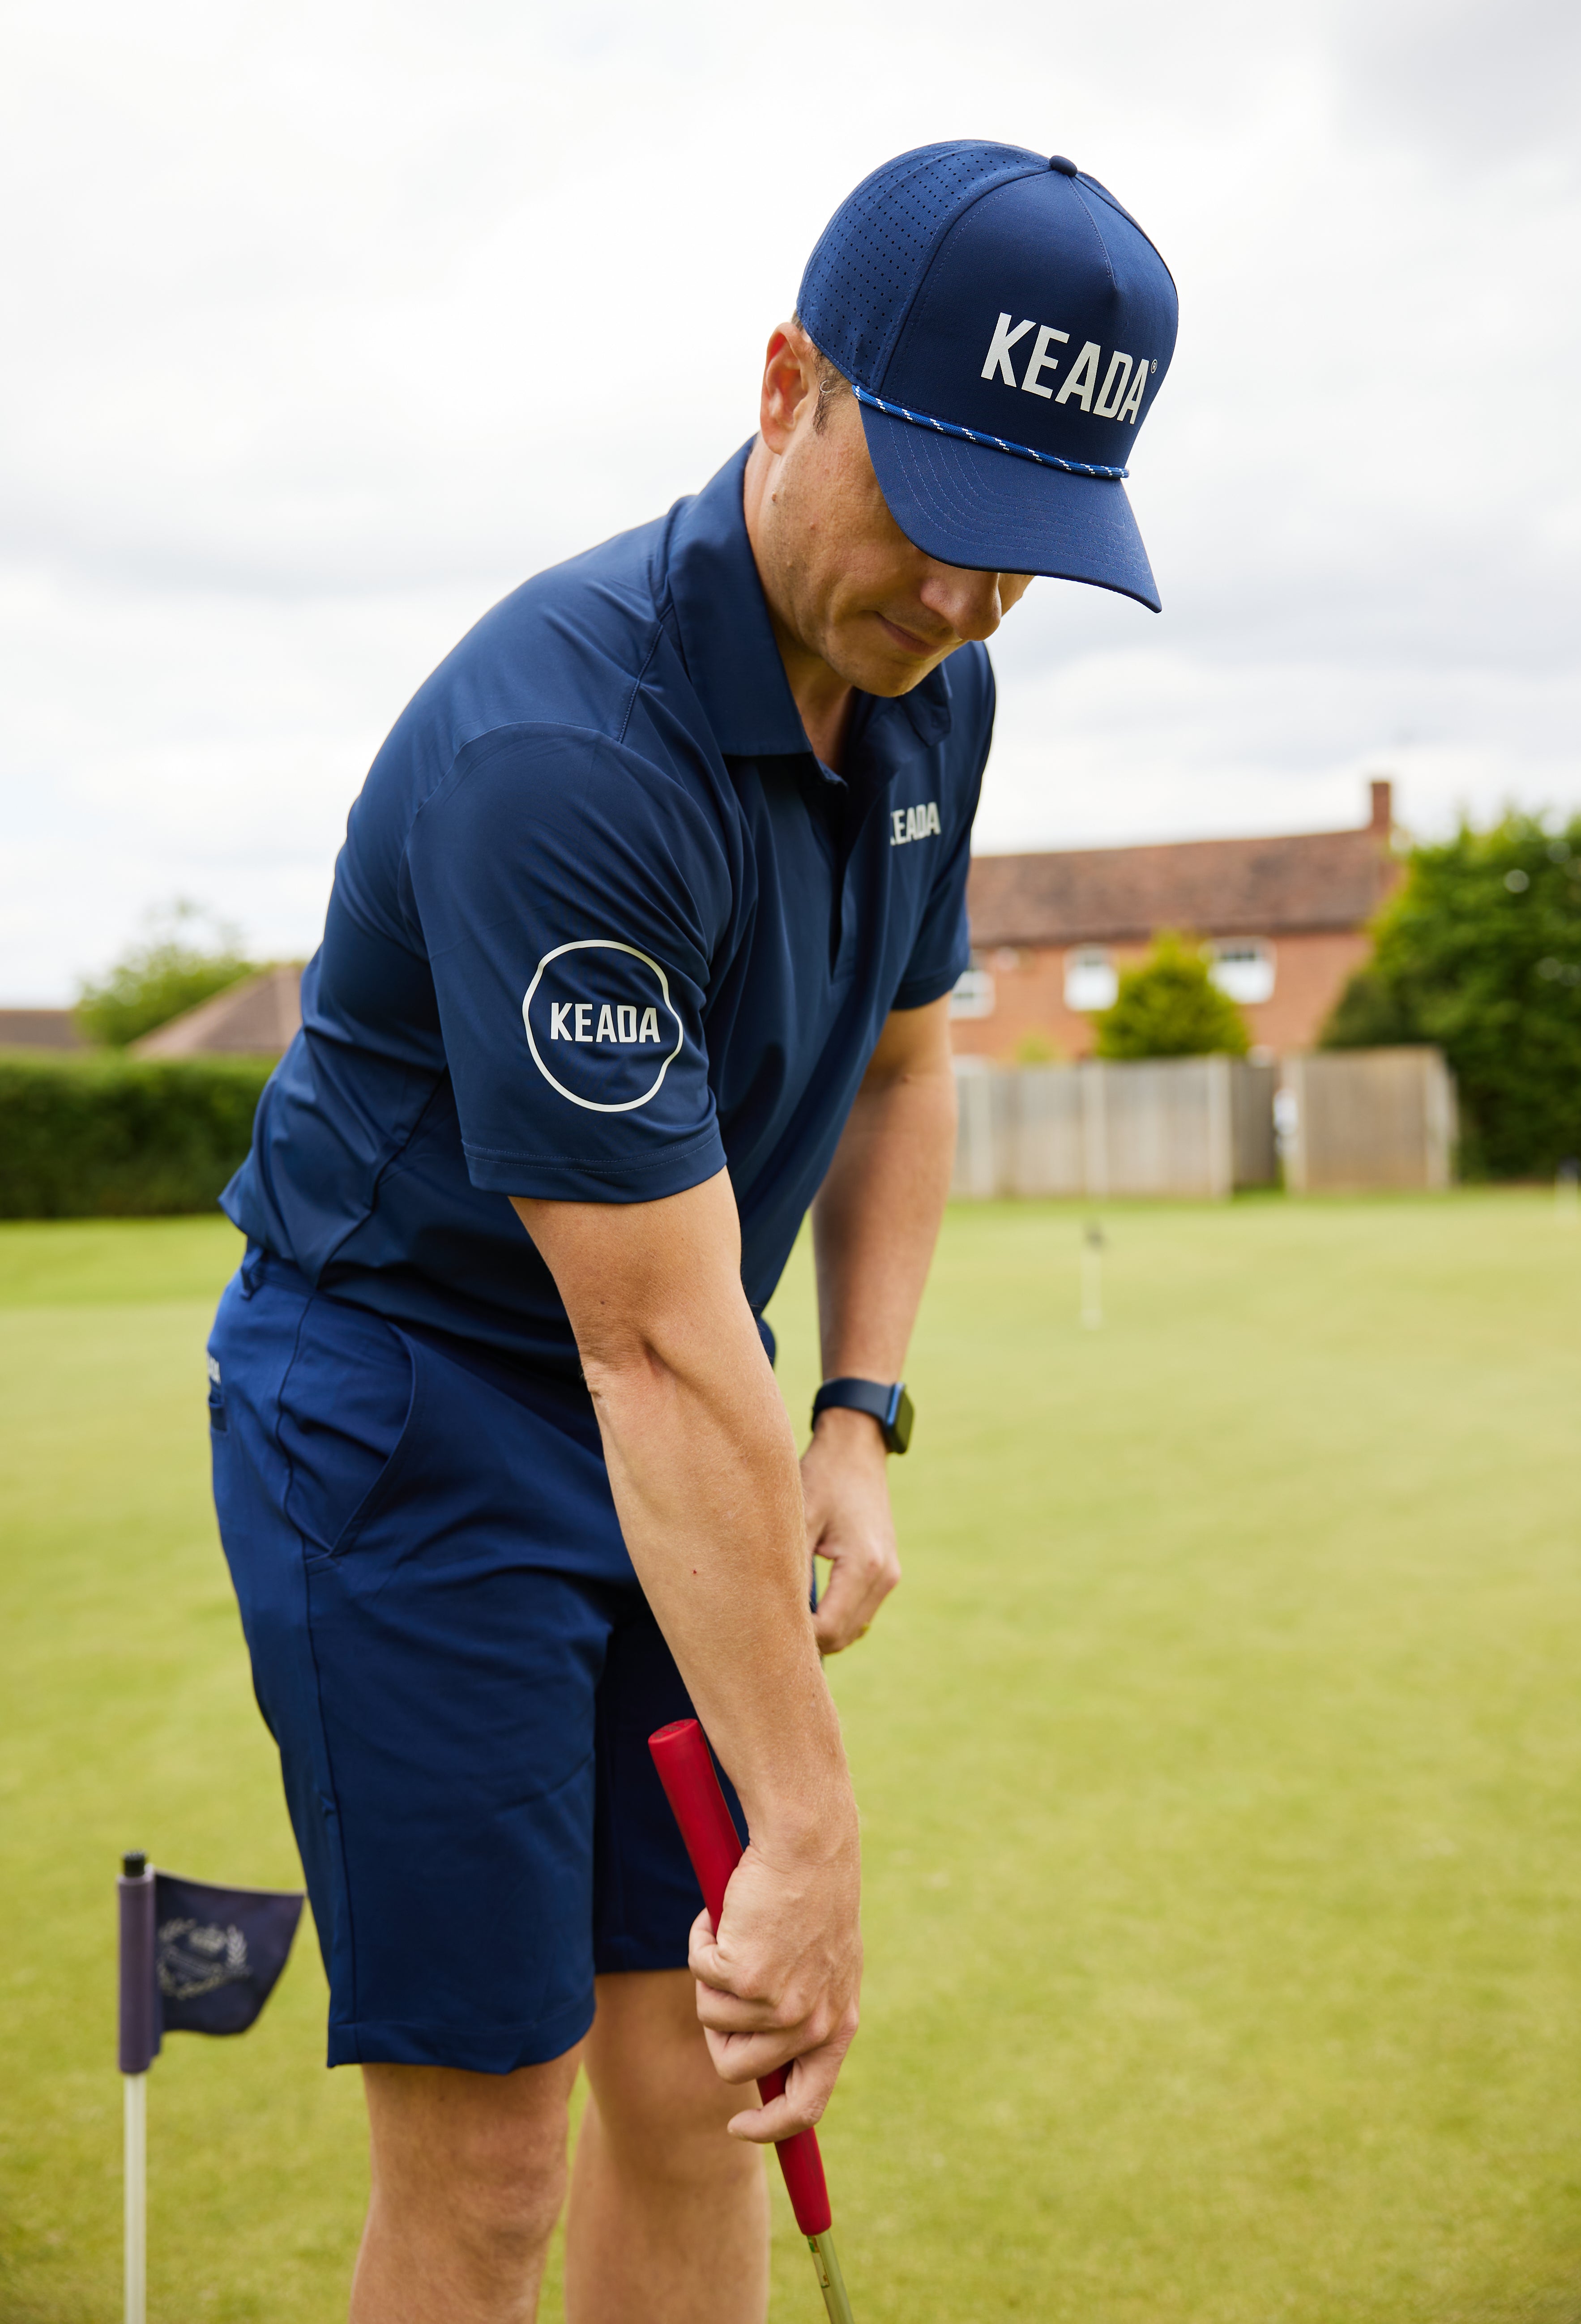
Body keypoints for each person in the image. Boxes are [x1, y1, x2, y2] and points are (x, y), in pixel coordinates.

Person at [206, 138, 1177, 2323]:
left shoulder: (947, 691)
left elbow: (909, 1063)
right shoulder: (561, 751)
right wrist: (813, 1828)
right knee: (490, 2162)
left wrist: (854, 1409)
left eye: (1024, 558)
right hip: (411, 1424)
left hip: (683, 1399)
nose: (958, 602)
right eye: (937, 521)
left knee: (704, 2084)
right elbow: (640, 1349)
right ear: (785, 387)